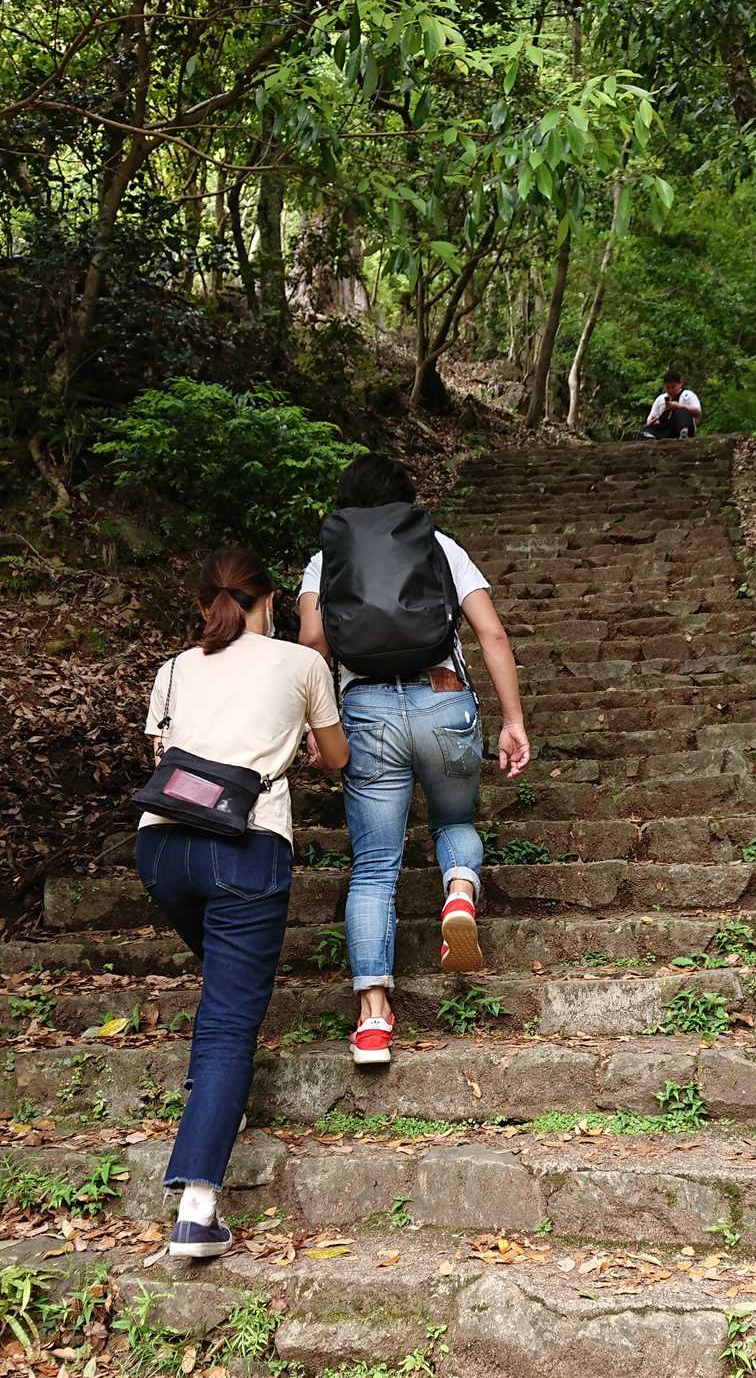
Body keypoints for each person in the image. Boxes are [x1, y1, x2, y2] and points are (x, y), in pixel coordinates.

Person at [137, 548, 348, 1260]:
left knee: (225, 992)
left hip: (161, 850)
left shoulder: (173, 670)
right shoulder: (302, 663)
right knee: (229, 1022)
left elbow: (168, 757)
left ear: (205, 605)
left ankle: (214, 1098)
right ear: (272, 601)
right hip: (245, 848)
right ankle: (197, 1211)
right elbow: (337, 757)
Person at [298, 453, 530, 1068]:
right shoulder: (439, 545)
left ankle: (373, 1020)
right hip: (444, 698)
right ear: (406, 499)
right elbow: (492, 634)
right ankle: (459, 893)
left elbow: (313, 645)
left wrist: (317, 727)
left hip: (367, 711)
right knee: (454, 820)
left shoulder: (326, 559)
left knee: (374, 867)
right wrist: (512, 721)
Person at [644, 369, 702, 440]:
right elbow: (650, 418)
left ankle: (683, 433)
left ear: (680, 384)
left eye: (673, 387)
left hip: (681, 426)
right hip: (665, 430)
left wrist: (678, 405)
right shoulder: (660, 399)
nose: (670, 390)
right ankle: (650, 436)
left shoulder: (688, 394)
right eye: (667, 388)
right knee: (648, 428)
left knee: (682, 411)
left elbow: (698, 412)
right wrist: (652, 421)